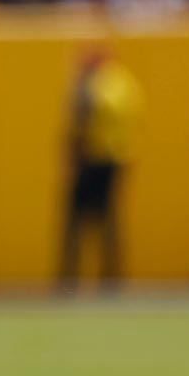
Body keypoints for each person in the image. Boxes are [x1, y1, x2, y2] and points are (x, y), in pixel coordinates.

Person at [57, 47, 143, 294]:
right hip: (114, 158)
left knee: (80, 221)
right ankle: (108, 278)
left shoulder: (99, 83)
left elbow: (82, 117)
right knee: (106, 221)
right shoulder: (124, 81)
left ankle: (75, 278)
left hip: (95, 159)